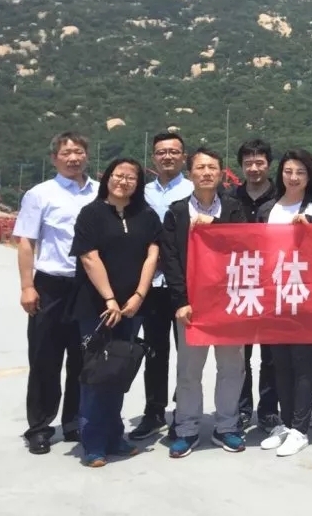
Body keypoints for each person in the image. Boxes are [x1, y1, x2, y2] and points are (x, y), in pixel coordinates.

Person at [70, 158, 161, 467]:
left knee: (119, 370)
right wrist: (109, 299)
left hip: (132, 307)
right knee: (96, 371)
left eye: (130, 177)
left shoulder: (146, 215)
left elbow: (152, 256)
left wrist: (139, 296)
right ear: (108, 178)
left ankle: (114, 436)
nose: (123, 181)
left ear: (138, 183)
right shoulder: (91, 213)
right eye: (118, 175)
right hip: (97, 307)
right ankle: (93, 442)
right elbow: (89, 257)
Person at [13, 131, 98, 454]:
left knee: (82, 357)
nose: (73, 158)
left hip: (87, 286)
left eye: (78, 152)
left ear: (86, 155)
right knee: (44, 358)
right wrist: (27, 286)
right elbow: (26, 241)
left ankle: (74, 421)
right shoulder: (40, 194)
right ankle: (39, 427)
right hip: (50, 285)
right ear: (54, 158)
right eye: (66, 153)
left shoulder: (99, 192)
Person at [163, 148, 248, 458]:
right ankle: (186, 428)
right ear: (190, 174)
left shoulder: (234, 209)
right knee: (189, 370)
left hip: (228, 302)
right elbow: (170, 259)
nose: (207, 173)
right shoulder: (176, 212)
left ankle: (227, 426)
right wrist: (180, 301)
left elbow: (246, 245)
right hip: (192, 306)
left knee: (231, 368)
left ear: (222, 172)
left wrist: (214, 225)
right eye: (200, 168)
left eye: (212, 167)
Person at [257, 150, 312, 457]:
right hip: (273, 294)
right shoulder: (268, 208)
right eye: (288, 171)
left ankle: (301, 429)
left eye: (300, 172)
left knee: (302, 361)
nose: (293, 177)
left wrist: (310, 232)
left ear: (309, 176)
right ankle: (287, 423)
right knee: (279, 362)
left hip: (305, 294)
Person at [132, 131, 194, 440]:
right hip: (152, 285)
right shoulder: (140, 193)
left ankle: (184, 412)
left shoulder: (195, 190)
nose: (167, 156)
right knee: (155, 351)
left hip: (185, 285)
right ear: (153, 157)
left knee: (188, 353)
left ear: (184, 157)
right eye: (161, 152)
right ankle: (154, 410)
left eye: (173, 151)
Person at [233, 138, 280, 433]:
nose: (253, 168)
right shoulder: (229, 199)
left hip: (273, 286)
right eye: (248, 163)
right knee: (241, 354)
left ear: (269, 165)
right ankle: (241, 409)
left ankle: (268, 410)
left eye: (259, 162)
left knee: (271, 355)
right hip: (240, 285)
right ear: (241, 166)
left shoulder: (281, 198)